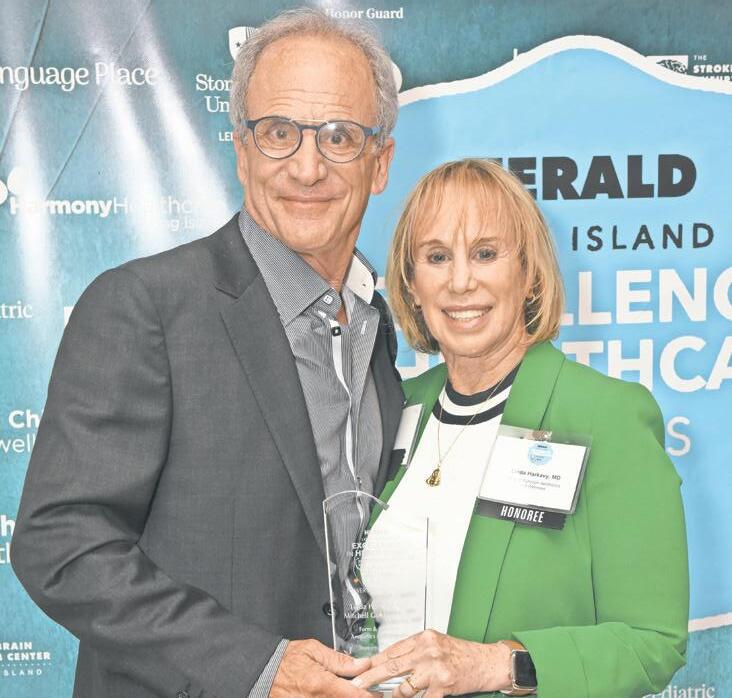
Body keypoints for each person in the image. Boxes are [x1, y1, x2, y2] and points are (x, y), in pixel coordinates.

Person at [11, 8, 404, 698]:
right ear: (241, 149)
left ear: (380, 163)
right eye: (279, 133)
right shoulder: (145, 307)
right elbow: (61, 542)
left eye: (339, 136)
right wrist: (257, 667)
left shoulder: (375, 326)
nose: (307, 167)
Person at [352, 158, 689, 697]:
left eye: (485, 253)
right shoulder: (395, 406)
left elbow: (653, 642)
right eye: (437, 257)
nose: (461, 281)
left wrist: (499, 664)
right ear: (411, 285)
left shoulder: (606, 416)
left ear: (529, 274)